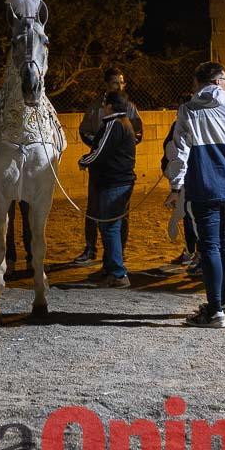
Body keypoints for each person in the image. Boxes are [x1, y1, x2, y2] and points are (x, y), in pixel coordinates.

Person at [164, 62, 225, 328]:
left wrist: (175, 186)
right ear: (216, 81)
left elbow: (179, 153)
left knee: (210, 246)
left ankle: (214, 311)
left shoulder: (189, 110)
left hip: (204, 187)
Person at [75, 67, 143, 264]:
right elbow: (85, 131)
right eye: (116, 83)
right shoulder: (97, 106)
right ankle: (91, 249)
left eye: (122, 82)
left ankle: (117, 255)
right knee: (93, 210)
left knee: (119, 215)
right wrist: (98, 146)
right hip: (99, 170)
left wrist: (114, 148)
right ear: (107, 84)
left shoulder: (129, 108)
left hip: (116, 171)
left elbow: (137, 134)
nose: (120, 86)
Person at [78, 91, 137, 288]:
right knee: (111, 226)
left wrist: (84, 161)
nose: (102, 108)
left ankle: (118, 273)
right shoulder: (124, 123)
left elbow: (100, 152)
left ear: (110, 106)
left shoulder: (114, 124)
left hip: (114, 183)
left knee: (109, 226)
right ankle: (110, 268)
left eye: (104, 105)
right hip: (119, 181)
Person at [161, 93, 197, 269]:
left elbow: (179, 154)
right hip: (185, 178)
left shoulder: (185, 126)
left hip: (188, 179)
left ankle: (194, 253)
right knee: (188, 217)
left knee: (191, 216)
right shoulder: (180, 125)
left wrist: (175, 187)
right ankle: (190, 251)